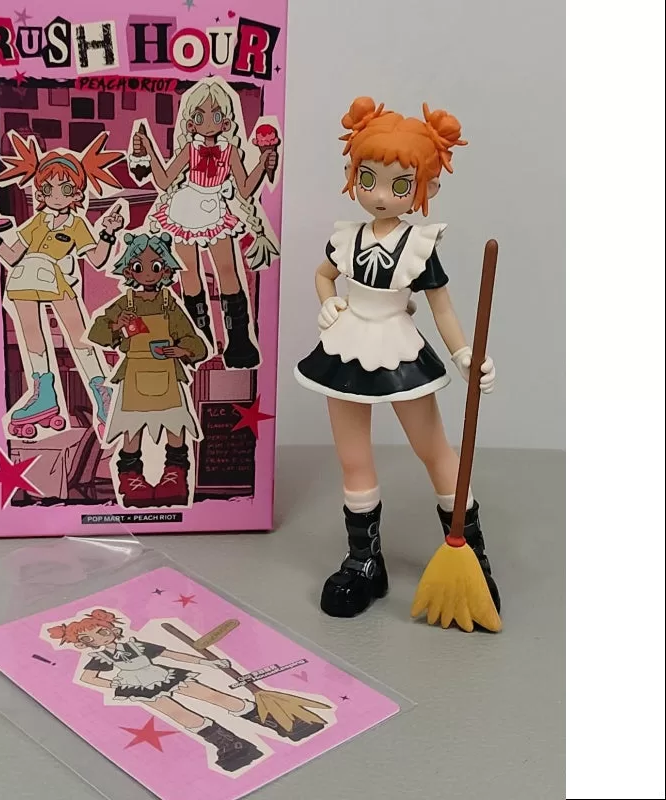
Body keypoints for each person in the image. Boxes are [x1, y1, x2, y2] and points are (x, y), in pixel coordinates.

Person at [294, 98, 500, 619]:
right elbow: (323, 274)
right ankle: (364, 560)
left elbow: (441, 306)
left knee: (434, 450)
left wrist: (465, 354)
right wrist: (328, 302)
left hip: (397, 347)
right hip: (345, 345)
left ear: (425, 189)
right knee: (353, 458)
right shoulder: (347, 237)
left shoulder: (418, 245)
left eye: (400, 185)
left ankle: (469, 551)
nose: (381, 194)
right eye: (368, 178)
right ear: (352, 174)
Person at [0, 131, 124, 437]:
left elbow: (97, 258)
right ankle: (44, 392)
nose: (56, 195)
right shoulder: (37, 222)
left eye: (65, 188)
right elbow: (13, 256)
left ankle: (102, 393)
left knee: (79, 336)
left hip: (57, 279)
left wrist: (109, 232)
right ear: (40, 192)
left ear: (76, 194)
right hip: (25, 277)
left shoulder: (77, 224)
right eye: (48, 188)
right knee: (31, 331)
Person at [129, 78, 279, 369]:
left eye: (215, 115)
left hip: (215, 209)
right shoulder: (189, 150)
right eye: (200, 117)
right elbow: (164, 181)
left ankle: (239, 342)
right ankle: (196, 340)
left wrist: (262, 163)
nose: (208, 123)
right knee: (189, 274)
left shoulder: (229, 152)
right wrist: (148, 149)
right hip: (184, 208)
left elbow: (245, 189)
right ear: (191, 123)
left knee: (227, 271)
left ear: (226, 122)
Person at [47, 609, 269, 772]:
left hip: (163, 674)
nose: (98, 639)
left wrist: (207, 663)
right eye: (89, 638)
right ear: (83, 644)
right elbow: (88, 677)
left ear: (112, 629)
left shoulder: (136, 645)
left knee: (210, 695)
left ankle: (269, 718)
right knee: (179, 714)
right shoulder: (102, 656)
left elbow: (171, 655)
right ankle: (230, 744)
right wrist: (118, 685)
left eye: (101, 632)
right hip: (138, 686)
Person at [88, 232, 206, 508]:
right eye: (139, 267)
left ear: (165, 269)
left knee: (175, 426)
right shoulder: (125, 304)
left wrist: (182, 350)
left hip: (168, 376)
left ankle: (175, 478)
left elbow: (194, 342)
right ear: (129, 270)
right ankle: (132, 480)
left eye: (156, 266)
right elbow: (97, 332)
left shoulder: (168, 304)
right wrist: (117, 325)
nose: (149, 274)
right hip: (134, 376)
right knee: (132, 430)